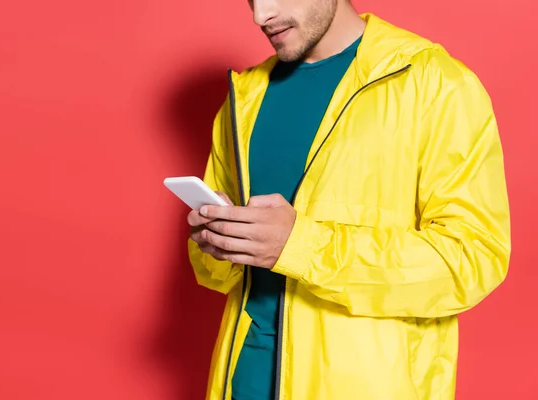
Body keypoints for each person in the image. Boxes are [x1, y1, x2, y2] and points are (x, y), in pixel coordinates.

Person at [186, 0, 511, 399]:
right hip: (241, 381)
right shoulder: (243, 99)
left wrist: (302, 246)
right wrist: (218, 243)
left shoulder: (435, 82)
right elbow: (222, 274)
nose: (260, 16)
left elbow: (473, 259)